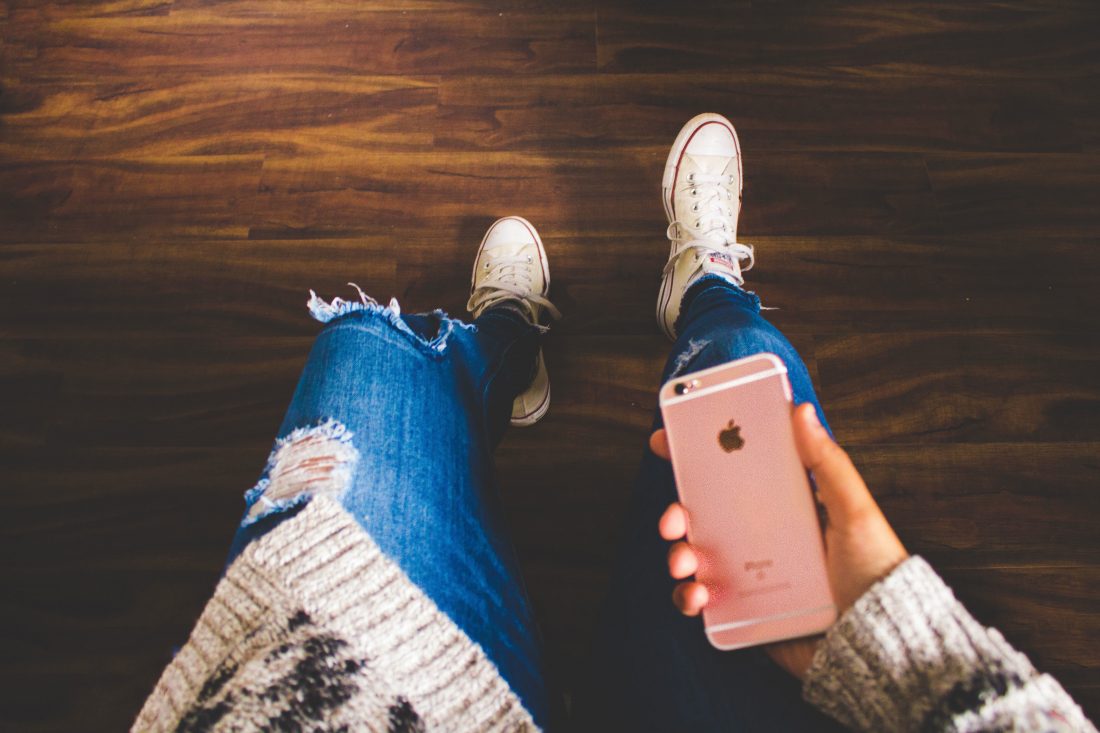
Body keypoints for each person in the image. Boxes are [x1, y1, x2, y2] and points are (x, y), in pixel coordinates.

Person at [132, 114, 1094, 732]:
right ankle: (707, 290)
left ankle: (504, 341)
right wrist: (885, 622)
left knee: (365, 357)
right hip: (872, 697)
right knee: (744, 375)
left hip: (325, 671)